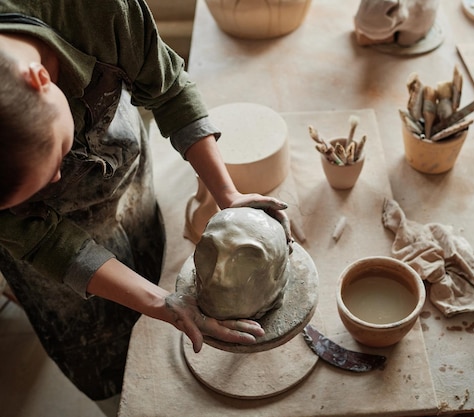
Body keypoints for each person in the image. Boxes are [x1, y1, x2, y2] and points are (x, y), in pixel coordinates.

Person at [0, 0, 292, 411]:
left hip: (124, 173)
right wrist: (163, 304)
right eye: (32, 190)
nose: (56, 182)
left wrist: (229, 197)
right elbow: (44, 241)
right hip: (52, 269)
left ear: (40, 78)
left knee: (156, 261)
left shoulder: (95, 11)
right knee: (110, 363)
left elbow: (169, 91)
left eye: (58, 154)